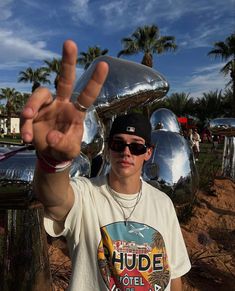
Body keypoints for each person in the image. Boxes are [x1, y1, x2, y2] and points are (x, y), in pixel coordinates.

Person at [20, 40, 191, 291]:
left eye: (137, 146)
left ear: (148, 153)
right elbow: (55, 198)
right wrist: (52, 160)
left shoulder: (162, 204)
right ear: (108, 149)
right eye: (118, 144)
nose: (126, 152)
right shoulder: (87, 194)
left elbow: (173, 275)